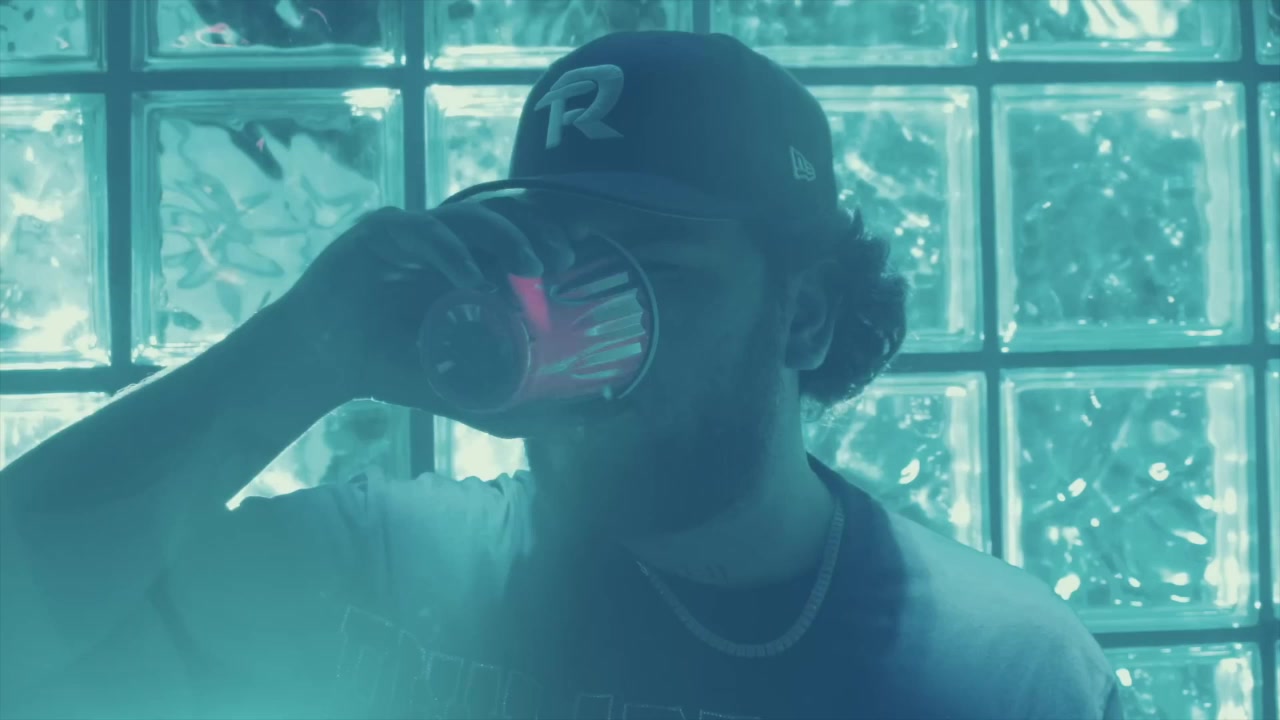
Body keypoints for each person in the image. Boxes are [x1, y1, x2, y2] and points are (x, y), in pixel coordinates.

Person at [0, 31, 1122, 720]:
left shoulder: (999, 672)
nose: (564, 311)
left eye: (652, 271)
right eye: (545, 260)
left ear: (806, 315)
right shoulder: (383, 576)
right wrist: (303, 352)